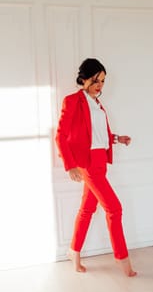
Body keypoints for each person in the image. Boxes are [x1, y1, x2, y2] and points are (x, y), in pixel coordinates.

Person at [55, 58, 137, 277]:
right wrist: (70, 165)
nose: (100, 85)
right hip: (88, 163)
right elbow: (61, 136)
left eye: (102, 81)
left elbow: (97, 135)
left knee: (87, 209)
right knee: (114, 208)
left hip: (101, 160)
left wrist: (118, 138)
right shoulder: (72, 101)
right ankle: (123, 260)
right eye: (95, 80)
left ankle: (74, 251)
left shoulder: (98, 105)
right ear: (84, 79)